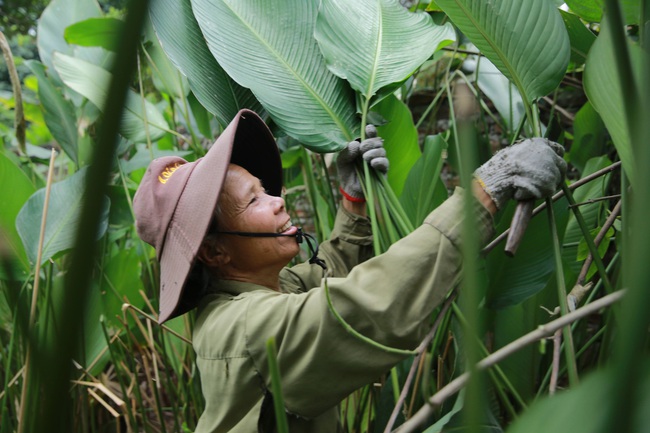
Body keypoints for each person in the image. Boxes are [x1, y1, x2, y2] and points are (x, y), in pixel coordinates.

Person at [133, 109, 566, 432]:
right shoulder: (243, 327)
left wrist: (353, 202)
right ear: (215, 253)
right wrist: (487, 190)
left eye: (265, 190)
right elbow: (366, 307)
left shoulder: (263, 291)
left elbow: (328, 276)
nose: (278, 201)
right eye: (253, 202)